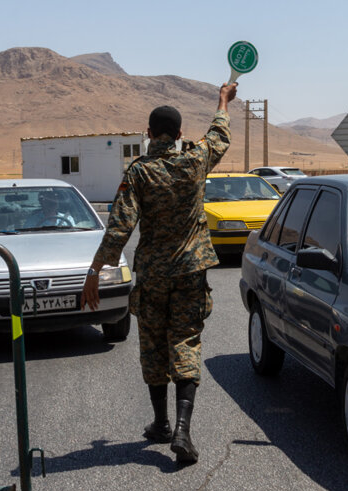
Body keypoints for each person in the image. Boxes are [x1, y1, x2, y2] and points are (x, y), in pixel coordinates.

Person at [82, 82, 237, 465]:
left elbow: (120, 226)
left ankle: (161, 422)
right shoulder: (195, 159)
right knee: (185, 342)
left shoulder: (138, 172)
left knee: (152, 345)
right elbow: (219, 135)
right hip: (190, 272)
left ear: (148, 133)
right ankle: (182, 430)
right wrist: (222, 101)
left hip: (153, 276)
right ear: (181, 134)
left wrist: (94, 270)